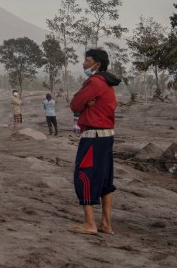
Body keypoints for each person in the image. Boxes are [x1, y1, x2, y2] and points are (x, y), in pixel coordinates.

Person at [69, 48, 120, 235]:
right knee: (106, 179)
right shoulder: (108, 83)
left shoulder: (95, 82)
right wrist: (85, 105)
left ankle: (90, 224)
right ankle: (106, 224)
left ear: (97, 64)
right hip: (107, 136)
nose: (84, 64)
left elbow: (74, 104)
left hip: (93, 137)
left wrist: (83, 106)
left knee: (84, 176)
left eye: (87, 60)